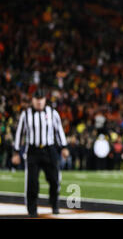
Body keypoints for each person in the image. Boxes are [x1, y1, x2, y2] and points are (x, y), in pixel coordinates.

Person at [11, 88, 69, 218]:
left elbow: (59, 130)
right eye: (37, 99)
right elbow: (20, 133)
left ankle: (54, 205)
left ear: (45, 100)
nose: (39, 102)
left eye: (41, 99)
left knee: (54, 180)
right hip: (33, 150)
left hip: (49, 150)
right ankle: (32, 210)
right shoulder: (26, 114)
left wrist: (64, 147)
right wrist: (16, 152)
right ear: (32, 100)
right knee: (32, 182)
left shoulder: (53, 113)